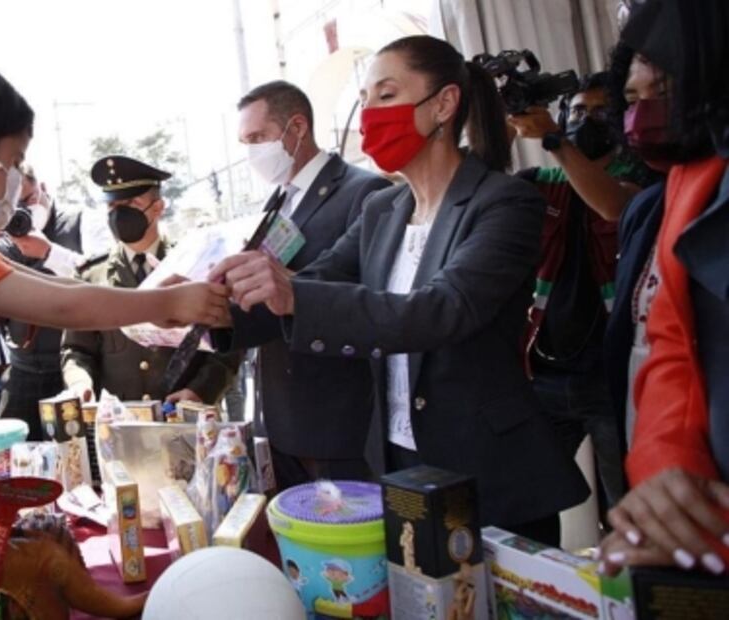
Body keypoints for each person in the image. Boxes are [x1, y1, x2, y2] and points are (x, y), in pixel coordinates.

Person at [211, 35, 588, 543]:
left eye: (386, 96)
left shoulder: (503, 203)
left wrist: (293, 292)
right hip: (395, 466)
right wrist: (209, 309)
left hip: (489, 473)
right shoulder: (381, 211)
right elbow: (319, 280)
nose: (369, 113)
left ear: (444, 104)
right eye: (364, 100)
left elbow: (441, 309)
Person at [0, 60, 229, 371]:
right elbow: (64, 307)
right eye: (14, 162)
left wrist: (153, 302)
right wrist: (169, 301)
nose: (15, 179)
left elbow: (58, 286)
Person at [593, 0, 729, 577]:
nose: (637, 83)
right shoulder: (690, 177)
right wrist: (665, 472)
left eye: (655, 65)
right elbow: (673, 342)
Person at [210, 80, 390, 489]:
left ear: (297, 128)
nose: (252, 152)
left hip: (336, 421)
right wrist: (211, 310)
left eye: (258, 138)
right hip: (279, 421)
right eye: (245, 141)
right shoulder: (275, 204)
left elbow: (370, 303)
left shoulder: (365, 193)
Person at [508, 72, 651, 516]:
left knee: (628, 508)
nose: (585, 120)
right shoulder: (538, 182)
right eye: (576, 112)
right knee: (528, 500)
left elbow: (613, 204)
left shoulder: (645, 180)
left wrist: (554, 138)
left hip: (612, 382)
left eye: (599, 112)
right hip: (545, 376)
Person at [61, 155, 239, 405]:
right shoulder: (91, 276)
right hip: (120, 422)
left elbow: (229, 343)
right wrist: (80, 383)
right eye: (113, 206)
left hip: (186, 416)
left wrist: (200, 391)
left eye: (131, 202)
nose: (119, 213)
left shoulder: (196, 263)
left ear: (158, 207)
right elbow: (77, 350)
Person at [0, 164, 88, 438]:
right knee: (16, 459)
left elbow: (98, 278)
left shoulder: (81, 222)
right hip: (23, 371)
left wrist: (50, 252)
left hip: (74, 369)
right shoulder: (3, 238)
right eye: (13, 205)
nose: (22, 212)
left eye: (28, 200)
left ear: (43, 188)